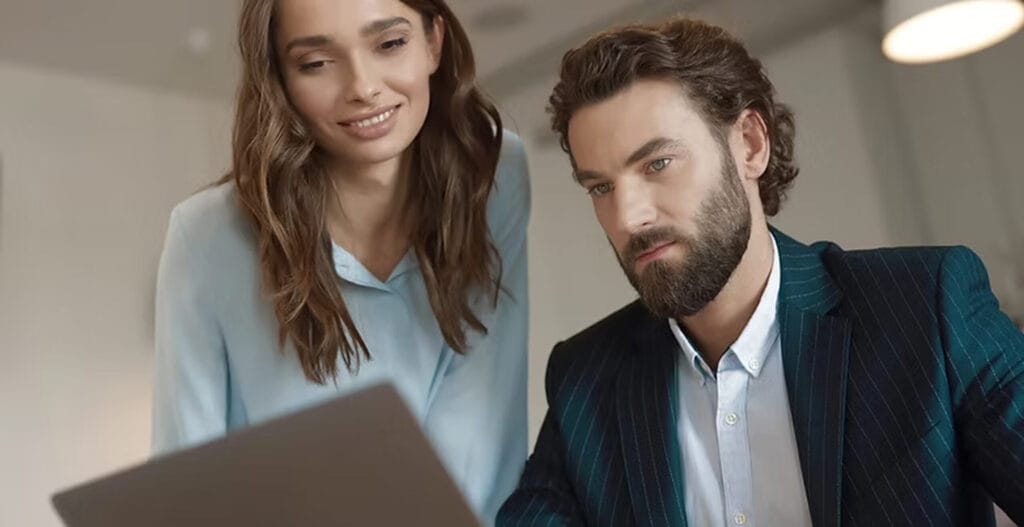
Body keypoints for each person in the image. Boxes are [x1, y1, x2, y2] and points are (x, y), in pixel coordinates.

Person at [498, 17, 1024, 527]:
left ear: (750, 143)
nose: (627, 216)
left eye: (657, 164)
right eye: (601, 187)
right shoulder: (586, 379)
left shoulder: (925, 307)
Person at [152, 0, 530, 520]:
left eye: (390, 44)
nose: (363, 86)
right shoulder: (206, 237)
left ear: (434, 42)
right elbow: (184, 486)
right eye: (315, 63)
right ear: (279, 80)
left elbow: (483, 440)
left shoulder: (495, 176)